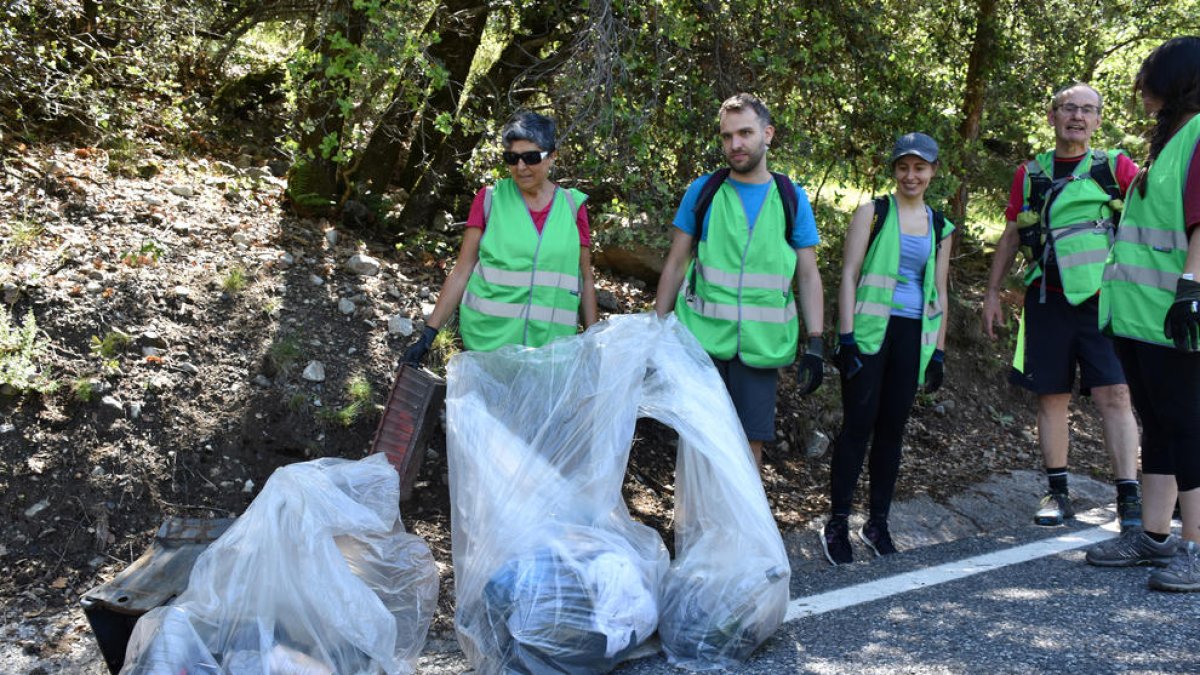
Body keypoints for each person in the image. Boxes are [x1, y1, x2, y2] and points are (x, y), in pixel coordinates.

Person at [981, 83, 1142, 531]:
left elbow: (1150, 219)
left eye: (1088, 110)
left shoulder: (1115, 167)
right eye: (1069, 108)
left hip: (1105, 302)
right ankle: (1057, 490)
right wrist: (993, 293)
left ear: (1097, 120)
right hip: (1046, 299)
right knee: (1051, 396)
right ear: (1051, 116)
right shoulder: (1030, 173)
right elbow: (1012, 234)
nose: (1077, 116)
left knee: (1116, 395)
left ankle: (1129, 495)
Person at [654, 93, 824, 470]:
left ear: (768, 134)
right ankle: (694, 527)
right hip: (702, 342)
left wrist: (816, 341)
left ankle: (741, 531)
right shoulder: (705, 191)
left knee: (750, 446)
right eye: (727, 136)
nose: (735, 144)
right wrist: (657, 328)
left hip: (761, 348)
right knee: (697, 440)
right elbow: (677, 262)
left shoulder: (790, 197)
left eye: (745, 133)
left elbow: (809, 274)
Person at [1085, 36, 1200, 592]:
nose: (1142, 88)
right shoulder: (1173, 138)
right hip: (1140, 314)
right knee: (1160, 424)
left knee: (1188, 428)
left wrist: (1191, 287)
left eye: (1151, 76)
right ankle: (1154, 536)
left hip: (1174, 310)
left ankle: (1195, 547)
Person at [819, 133, 953, 565]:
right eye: (903, 167)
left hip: (914, 337)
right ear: (894, 170)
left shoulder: (941, 226)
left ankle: (878, 523)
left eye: (920, 167)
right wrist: (847, 337)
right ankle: (837, 522)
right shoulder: (872, 212)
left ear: (932, 171)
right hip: (870, 334)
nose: (911, 175)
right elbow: (849, 274)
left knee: (892, 431)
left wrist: (939, 352)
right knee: (858, 426)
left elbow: (940, 291)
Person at [403, 111, 598, 364]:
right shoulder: (489, 200)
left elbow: (585, 278)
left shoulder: (573, 207)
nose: (520, 167)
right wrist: (429, 334)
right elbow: (462, 270)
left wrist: (593, 345)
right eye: (512, 158)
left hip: (549, 353)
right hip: (487, 346)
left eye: (530, 157)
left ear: (552, 156)